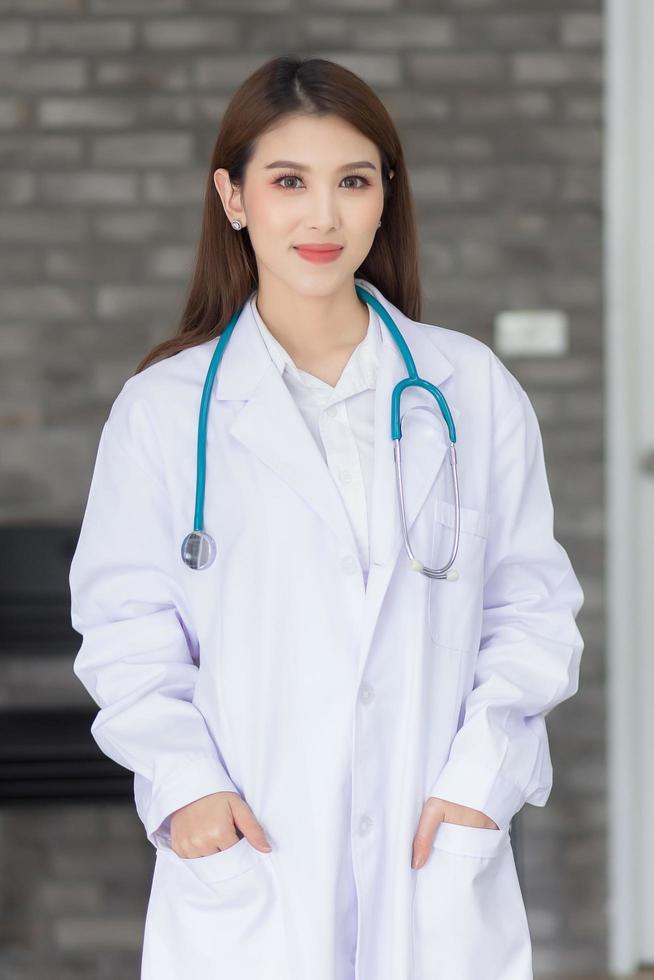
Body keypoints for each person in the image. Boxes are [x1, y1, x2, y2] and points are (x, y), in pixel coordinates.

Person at [69, 55, 585, 980]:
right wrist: (190, 791)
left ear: (386, 197)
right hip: (252, 851)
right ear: (232, 197)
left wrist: (481, 786)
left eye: (352, 181)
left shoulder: (469, 390)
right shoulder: (164, 411)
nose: (322, 216)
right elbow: (125, 631)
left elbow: (531, 614)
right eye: (288, 182)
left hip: (434, 844)